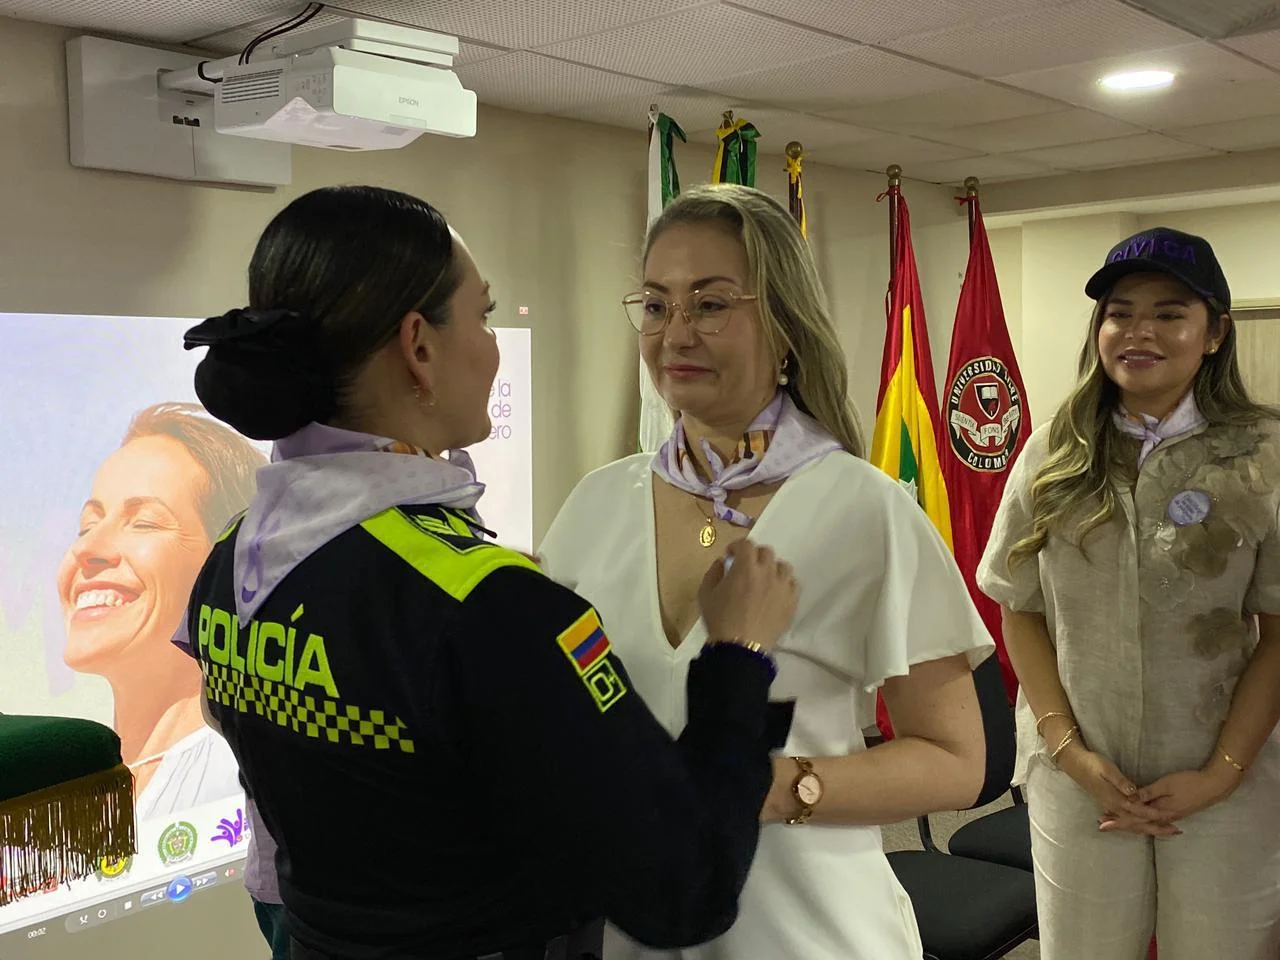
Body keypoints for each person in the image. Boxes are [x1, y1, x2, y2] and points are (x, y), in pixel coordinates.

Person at [179, 184, 802, 960]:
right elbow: (686, 889)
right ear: (419, 346)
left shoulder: (231, 555)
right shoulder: (487, 606)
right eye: (483, 314)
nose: (493, 342)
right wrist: (736, 659)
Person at [538, 183, 993, 960]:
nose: (676, 333)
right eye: (656, 305)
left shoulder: (866, 509)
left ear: (784, 325)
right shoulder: (595, 502)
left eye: (710, 304)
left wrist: (774, 787)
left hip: (809, 931)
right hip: (634, 925)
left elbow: (957, 763)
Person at [979, 227, 1280, 960]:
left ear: (1215, 333)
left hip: (1225, 773)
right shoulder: (1054, 450)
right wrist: (1068, 751)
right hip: (1081, 773)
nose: (1139, 331)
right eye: (1120, 312)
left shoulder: (1262, 455)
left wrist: (1220, 774)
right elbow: (1019, 608)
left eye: (1169, 313)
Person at [56, 401, 262, 819]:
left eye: (144, 522)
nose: (86, 548)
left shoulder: (261, 777)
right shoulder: (50, 809)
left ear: (226, 563)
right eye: (87, 526)